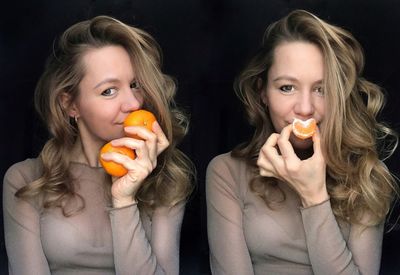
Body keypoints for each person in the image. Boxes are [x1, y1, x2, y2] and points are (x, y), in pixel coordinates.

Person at [206, 9, 398, 275]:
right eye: (287, 87)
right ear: (262, 92)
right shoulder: (226, 171)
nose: (305, 109)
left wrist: (314, 196)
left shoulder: (367, 174)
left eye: (322, 89)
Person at [3, 15, 194, 275]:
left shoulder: (165, 180)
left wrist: (124, 200)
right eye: (108, 91)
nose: (133, 104)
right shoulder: (26, 179)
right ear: (70, 104)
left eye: (135, 85)